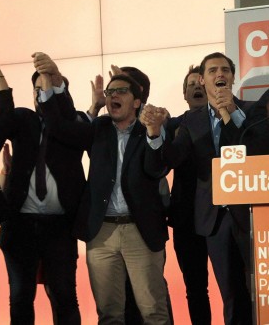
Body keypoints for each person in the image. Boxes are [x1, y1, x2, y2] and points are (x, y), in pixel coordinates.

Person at [40, 73, 171, 324]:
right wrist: (53, 85)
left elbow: (156, 169)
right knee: (109, 314)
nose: (113, 96)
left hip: (140, 231)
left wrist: (154, 134)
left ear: (136, 102)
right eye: (110, 92)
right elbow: (60, 126)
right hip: (101, 233)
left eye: (121, 91)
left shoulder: (150, 127)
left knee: (154, 312)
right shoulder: (98, 128)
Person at [143, 52, 251, 325]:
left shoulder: (251, 112)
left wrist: (234, 115)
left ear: (233, 77)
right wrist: (155, 134)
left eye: (225, 69)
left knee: (238, 292)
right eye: (213, 70)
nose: (220, 74)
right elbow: (173, 158)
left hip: (241, 215)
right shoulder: (192, 120)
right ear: (203, 79)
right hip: (205, 217)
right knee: (202, 290)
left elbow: (255, 151)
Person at [0, 53, 83, 325]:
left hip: (59, 227)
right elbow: (3, 116)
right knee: (21, 297)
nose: (41, 95)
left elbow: (67, 115)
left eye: (48, 88)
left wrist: (55, 82)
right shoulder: (23, 119)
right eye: (37, 89)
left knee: (64, 295)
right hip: (20, 224)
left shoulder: (75, 123)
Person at [166, 66, 212, 324]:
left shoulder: (228, 120)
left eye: (200, 82)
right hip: (186, 220)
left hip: (222, 217)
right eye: (190, 84)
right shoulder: (172, 125)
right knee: (195, 289)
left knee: (236, 285)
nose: (196, 87)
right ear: (184, 94)